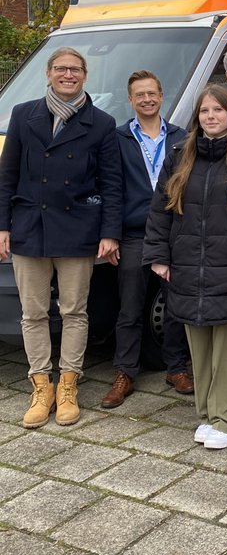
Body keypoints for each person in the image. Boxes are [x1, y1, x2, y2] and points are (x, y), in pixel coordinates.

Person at [143, 85, 227, 449]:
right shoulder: (179, 157)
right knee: (198, 349)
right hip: (187, 266)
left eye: (218, 110)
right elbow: (161, 210)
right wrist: (158, 255)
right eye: (205, 111)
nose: (211, 117)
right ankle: (205, 414)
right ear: (197, 117)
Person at [0, 46, 122, 428]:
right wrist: (3, 225)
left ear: (85, 76)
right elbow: (7, 176)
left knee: (74, 310)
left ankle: (68, 383)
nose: (68, 75)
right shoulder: (23, 115)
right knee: (33, 312)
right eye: (60, 69)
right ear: (48, 74)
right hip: (29, 227)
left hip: (79, 229)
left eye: (75, 69)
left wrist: (109, 233)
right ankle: (41, 385)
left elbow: (112, 184)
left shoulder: (101, 123)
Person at [101, 71, 191, 409]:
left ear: (161, 95)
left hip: (175, 232)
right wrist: (110, 234)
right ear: (131, 100)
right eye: (140, 95)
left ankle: (176, 367)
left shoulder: (182, 137)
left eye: (152, 93)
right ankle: (125, 372)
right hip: (135, 233)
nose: (147, 99)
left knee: (176, 304)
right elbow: (111, 188)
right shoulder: (118, 138)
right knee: (130, 306)